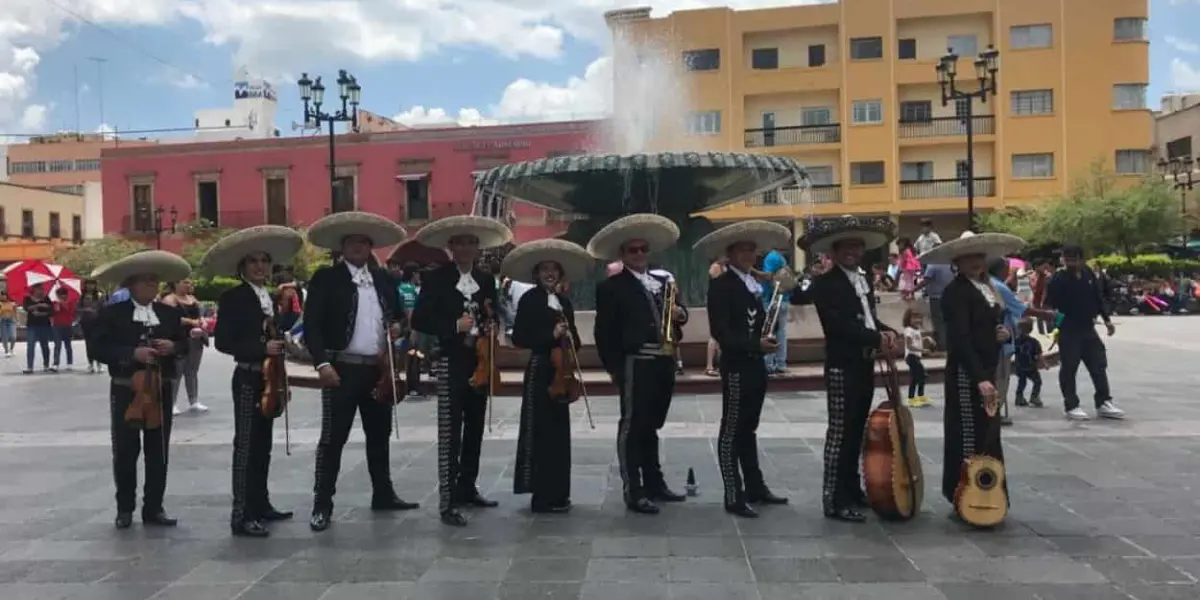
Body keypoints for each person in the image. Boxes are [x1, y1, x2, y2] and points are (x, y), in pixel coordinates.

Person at [303, 212, 419, 532]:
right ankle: (322, 504)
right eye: (352, 241)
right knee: (332, 439)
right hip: (341, 368)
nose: (358, 247)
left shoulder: (383, 279)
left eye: (363, 242)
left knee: (379, 436)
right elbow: (311, 326)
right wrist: (322, 363)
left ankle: (383, 493)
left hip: (377, 369)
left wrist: (397, 327)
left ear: (371, 247)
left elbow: (399, 316)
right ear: (342, 247)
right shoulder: (326, 279)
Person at [203, 225, 306, 537]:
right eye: (253, 262)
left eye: (264, 261)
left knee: (263, 445)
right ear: (243, 267)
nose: (260, 266)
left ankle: (261, 503)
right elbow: (223, 341)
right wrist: (262, 348)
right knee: (246, 445)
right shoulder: (233, 297)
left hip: (269, 377)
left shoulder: (271, 298)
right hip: (248, 376)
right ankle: (242, 513)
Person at [412, 215, 514, 527]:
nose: (467, 248)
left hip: (479, 359)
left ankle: (468, 487)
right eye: (461, 243)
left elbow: (491, 309)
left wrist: (493, 323)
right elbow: (419, 320)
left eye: (472, 243)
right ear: (451, 247)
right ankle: (447, 500)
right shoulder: (436, 278)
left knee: (474, 428)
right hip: (450, 359)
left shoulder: (485, 279)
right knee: (450, 431)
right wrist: (452, 326)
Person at [917, 232, 1023, 513]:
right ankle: (964, 494)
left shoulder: (984, 287)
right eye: (969, 258)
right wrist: (980, 378)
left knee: (987, 433)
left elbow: (983, 328)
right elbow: (960, 340)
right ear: (957, 262)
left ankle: (989, 494)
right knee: (968, 433)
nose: (976, 262)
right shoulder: (956, 292)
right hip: (968, 372)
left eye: (979, 256)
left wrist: (998, 333)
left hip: (987, 365)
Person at [803, 215, 900, 522]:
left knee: (857, 431)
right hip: (842, 366)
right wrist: (877, 336)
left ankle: (853, 488)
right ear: (834, 251)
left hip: (864, 363)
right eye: (846, 247)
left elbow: (868, 319)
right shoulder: (825, 283)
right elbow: (837, 326)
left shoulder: (863, 280)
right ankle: (834, 499)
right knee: (840, 433)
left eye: (857, 247)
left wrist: (888, 331)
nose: (852, 252)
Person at [591, 214, 689, 515]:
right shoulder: (612, 287)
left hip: (663, 360)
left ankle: (655, 483)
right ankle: (634, 489)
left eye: (643, 249)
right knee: (633, 426)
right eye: (632, 250)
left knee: (652, 425)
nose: (638, 254)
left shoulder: (663, 282)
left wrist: (680, 315)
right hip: (636, 362)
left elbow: (677, 320)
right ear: (622, 254)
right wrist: (614, 369)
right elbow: (603, 333)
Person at [88, 250, 193, 529]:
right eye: (145, 280)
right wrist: (131, 354)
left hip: (161, 388)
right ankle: (125, 508)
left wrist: (174, 347)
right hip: (126, 389)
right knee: (125, 450)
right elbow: (97, 347)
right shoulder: (112, 314)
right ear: (131, 283)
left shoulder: (168, 313)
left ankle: (154, 507)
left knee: (158, 450)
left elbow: (184, 343)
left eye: (154, 280)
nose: (151, 285)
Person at [696, 220, 793, 518]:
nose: (749, 255)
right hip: (737, 365)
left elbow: (758, 324)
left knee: (749, 428)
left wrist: (767, 340)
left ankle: (755, 485)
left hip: (755, 365)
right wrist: (755, 345)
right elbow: (722, 333)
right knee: (732, 429)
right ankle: (732, 492)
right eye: (743, 250)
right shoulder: (721, 285)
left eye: (752, 250)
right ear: (731, 253)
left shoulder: (754, 285)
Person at [504, 239, 592, 514]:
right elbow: (519, 337)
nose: (550, 273)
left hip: (562, 371)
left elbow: (575, 342)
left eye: (554, 269)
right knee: (539, 432)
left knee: (559, 435)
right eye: (544, 269)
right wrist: (549, 336)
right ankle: (541, 495)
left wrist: (569, 335)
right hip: (541, 370)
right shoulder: (530, 299)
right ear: (536, 273)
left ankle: (559, 492)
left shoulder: (564, 301)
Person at [1044, 245, 1123, 421]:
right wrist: (1054, 328)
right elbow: (1049, 306)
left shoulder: (1088, 274)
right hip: (1068, 329)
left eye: (1073, 259)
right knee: (1069, 367)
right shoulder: (1058, 279)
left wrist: (1107, 320)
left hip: (1088, 327)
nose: (1069, 263)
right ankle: (1071, 405)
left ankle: (1104, 402)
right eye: (1066, 259)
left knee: (1098, 365)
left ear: (1082, 260)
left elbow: (1098, 297)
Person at [985, 256, 1056, 422]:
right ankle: (994, 413)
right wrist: (1046, 314)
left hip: (996, 337)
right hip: (1002, 339)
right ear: (1002, 269)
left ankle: (991, 411)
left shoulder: (988, 284)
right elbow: (1022, 310)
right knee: (1000, 378)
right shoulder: (999, 287)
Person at [161, 280, 209, 415]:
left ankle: (194, 400)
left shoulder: (192, 298)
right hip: (179, 338)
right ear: (175, 283)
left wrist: (202, 322)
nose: (188, 285)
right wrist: (192, 322)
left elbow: (200, 315)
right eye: (184, 282)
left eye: (189, 282)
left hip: (196, 338)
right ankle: (172, 402)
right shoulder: (169, 299)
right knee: (177, 371)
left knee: (192, 370)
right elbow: (170, 317)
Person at [759, 245, 792, 375]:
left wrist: (753, 272)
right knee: (781, 332)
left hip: (772, 299)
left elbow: (768, 275)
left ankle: (768, 364)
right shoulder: (780, 257)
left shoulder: (770, 257)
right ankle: (781, 363)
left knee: (769, 330)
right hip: (783, 298)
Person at [902, 308, 932, 408]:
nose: (917, 320)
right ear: (908, 319)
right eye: (914, 318)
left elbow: (917, 340)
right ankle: (917, 397)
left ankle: (916, 397)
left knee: (915, 378)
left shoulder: (916, 330)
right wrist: (922, 351)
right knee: (921, 376)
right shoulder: (908, 330)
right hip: (911, 356)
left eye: (919, 318)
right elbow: (909, 345)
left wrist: (926, 338)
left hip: (916, 357)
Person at [21, 283, 53, 374]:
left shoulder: (46, 298)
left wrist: (42, 313)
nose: (40, 290)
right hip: (32, 325)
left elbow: (51, 311)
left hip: (44, 325)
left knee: (45, 346)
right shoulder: (27, 298)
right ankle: (30, 367)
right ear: (33, 289)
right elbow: (27, 308)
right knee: (30, 346)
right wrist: (39, 305)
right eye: (38, 289)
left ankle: (46, 365)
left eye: (42, 289)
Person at [1013, 319, 1044, 408]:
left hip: (1019, 366)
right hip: (1031, 367)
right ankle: (1034, 397)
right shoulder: (1034, 342)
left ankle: (1019, 397)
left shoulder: (1016, 341)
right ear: (1031, 329)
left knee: (1022, 382)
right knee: (1037, 381)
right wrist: (1044, 364)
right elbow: (1039, 355)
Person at [77, 283, 104, 372]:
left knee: (97, 342)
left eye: (92, 284)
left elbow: (104, 309)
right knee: (88, 344)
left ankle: (99, 363)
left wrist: (96, 312)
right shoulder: (81, 297)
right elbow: (77, 309)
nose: (90, 286)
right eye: (88, 284)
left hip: (97, 322)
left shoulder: (99, 296)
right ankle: (90, 363)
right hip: (85, 322)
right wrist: (84, 310)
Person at [50, 287, 76, 371]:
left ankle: (69, 363)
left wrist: (63, 305)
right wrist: (55, 308)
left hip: (67, 326)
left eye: (63, 294)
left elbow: (72, 313)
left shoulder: (70, 303)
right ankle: (55, 363)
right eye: (59, 295)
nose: (62, 296)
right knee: (57, 345)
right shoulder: (54, 303)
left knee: (68, 345)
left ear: (66, 295)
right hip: (56, 326)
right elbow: (52, 313)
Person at [0, 290, 16, 357]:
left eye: (4, 295)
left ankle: (11, 349)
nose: (3, 296)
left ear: (7, 296)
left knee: (13, 337)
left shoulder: (12, 303)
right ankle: (6, 351)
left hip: (11, 321)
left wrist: (16, 320)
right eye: (2, 295)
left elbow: (15, 312)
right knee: (4, 337)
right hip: (2, 321)